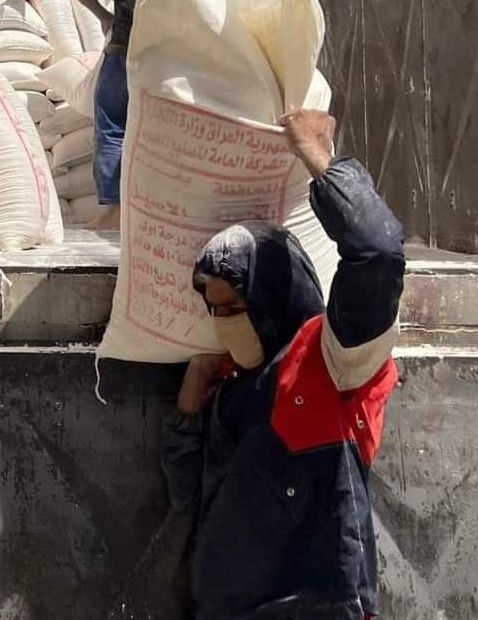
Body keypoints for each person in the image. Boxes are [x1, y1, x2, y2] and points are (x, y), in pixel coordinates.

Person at [161, 109, 405, 620]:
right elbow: (196, 505)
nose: (222, 324)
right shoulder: (231, 388)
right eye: (213, 310)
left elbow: (378, 252)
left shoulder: (330, 363)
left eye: (234, 306)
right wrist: (187, 414)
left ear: (274, 296)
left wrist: (316, 155)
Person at [67, 0, 187, 229]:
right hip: (178, 51)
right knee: (174, 125)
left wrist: (104, 15)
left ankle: (116, 210)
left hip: (126, 43)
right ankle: (173, 203)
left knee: (112, 123)